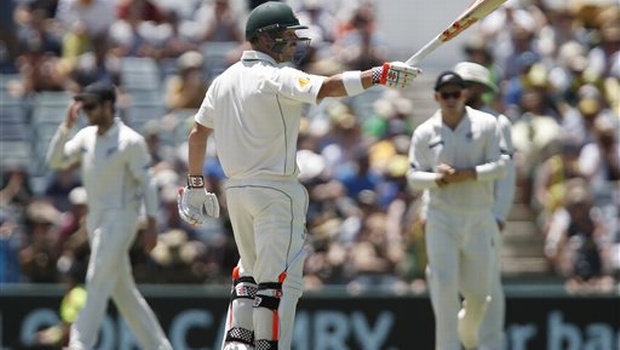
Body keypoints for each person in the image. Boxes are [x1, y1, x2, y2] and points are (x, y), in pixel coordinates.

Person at [175, 2, 421, 350]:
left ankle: (237, 342)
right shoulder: (277, 76)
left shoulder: (223, 80)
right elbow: (329, 87)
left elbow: (197, 133)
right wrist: (378, 75)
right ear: (263, 38)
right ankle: (266, 346)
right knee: (278, 282)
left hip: (238, 194)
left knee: (249, 272)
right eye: (286, 35)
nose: (293, 42)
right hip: (277, 192)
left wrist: (195, 185)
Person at [46, 82, 172, 350]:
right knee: (123, 292)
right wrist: (66, 127)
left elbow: (148, 183)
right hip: (96, 220)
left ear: (109, 105)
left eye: (92, 106)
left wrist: (152, 223)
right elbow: (55, 162)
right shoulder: (85, 137)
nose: (87, 111)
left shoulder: (130, 140)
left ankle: (79, 344)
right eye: (85, 106)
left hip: (122, 218)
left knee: (97, 278)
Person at [407, 71, 507, 350]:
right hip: (442, 218)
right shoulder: (425, 132)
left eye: (456, 93)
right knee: (444, 289)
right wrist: (438, 179)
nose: (451, 100)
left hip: (478, 217)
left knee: (479, 296)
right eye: (445, 94)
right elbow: (413, 177)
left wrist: (469, 174)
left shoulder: (487, 125)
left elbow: (501, 167)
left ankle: (469, 335)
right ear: (436, 97)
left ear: (465, 94)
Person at [454, 61, 517, 350]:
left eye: (469, 84)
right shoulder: (444, 120)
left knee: (487, 287)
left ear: (481, 88)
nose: (463, 90)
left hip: (484, 216)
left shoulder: (498, 122)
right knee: (449, 287)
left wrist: (499, 215)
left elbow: (506, 175)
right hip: (450, 216)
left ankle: (489, 345)